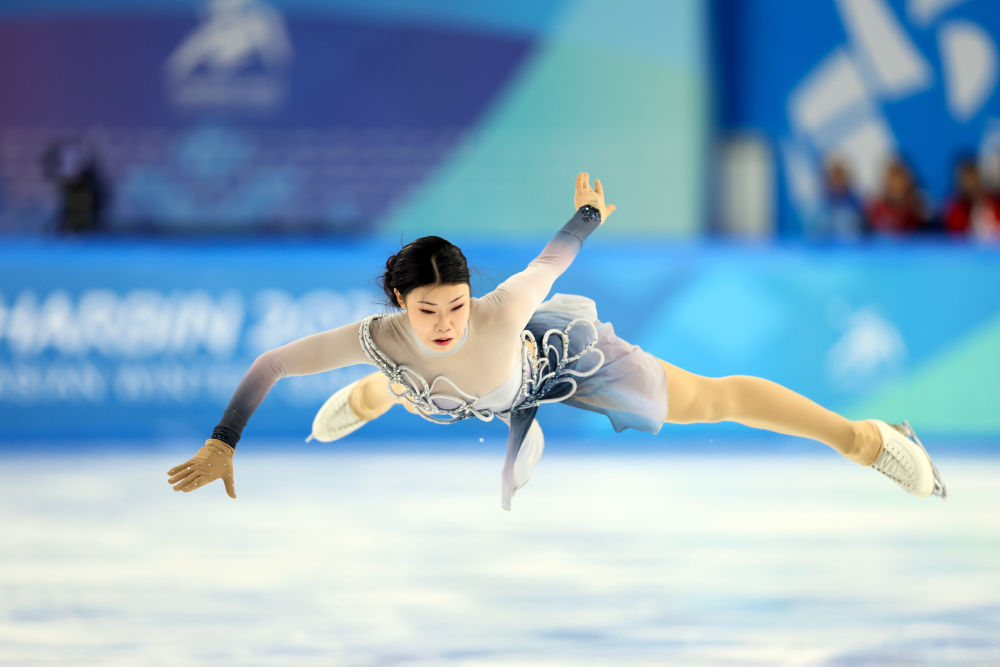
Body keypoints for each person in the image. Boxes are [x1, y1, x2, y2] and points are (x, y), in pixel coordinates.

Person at [167, 173, 947, 509]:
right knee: (412, 384)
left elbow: (552, 261)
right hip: (447, 388)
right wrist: (224, 439)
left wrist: (588, 216)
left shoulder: (500, 313)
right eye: (429, 310)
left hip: (553, 362)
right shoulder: (380, 335)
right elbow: (273, 362)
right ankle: (375, 394)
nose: (446, 322)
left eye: (456, 305)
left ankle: (866, 439)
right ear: (400, 302)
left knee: (710, 399)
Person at [941, 157, 1000, 241]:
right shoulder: (954, 213)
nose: (970, 185)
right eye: (965, 181)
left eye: (973, 179)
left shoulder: (996, 206)